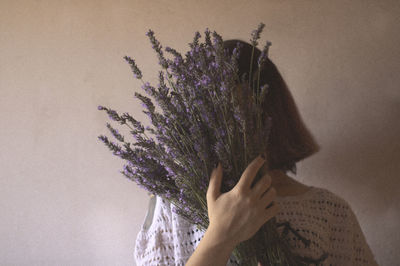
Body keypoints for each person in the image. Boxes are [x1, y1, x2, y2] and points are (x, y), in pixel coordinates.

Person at [134, 40, 378, 265]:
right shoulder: (172, 208)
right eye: (214, 116)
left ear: (272, 114)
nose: (229, 128)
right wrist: (221, 235)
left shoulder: (329, 210)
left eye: (244, 114)